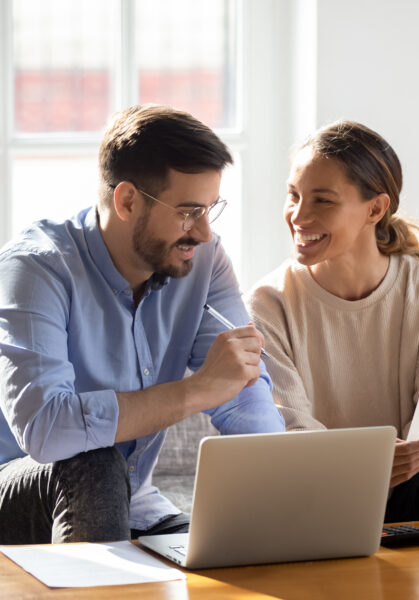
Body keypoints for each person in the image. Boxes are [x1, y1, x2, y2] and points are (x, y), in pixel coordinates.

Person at [0, 104, 284, 545]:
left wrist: (288, 482)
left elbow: (243, 393)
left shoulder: (204, 261)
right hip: (21, 489)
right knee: (93, 463)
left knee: (233, 558)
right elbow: (46, 429)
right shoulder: (37, 267)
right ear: (127, 200)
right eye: (189, 211)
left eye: (211, 209)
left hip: (137, 504)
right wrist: (195, 390)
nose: (205, 232)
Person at [245, 120, 419, 521]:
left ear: (376, 208)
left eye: (322, 201)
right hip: (318, 491)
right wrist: (367, 465)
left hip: (415, 482)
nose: (298, 215)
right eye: (293, 195)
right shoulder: (268, 303)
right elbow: (288, 431)